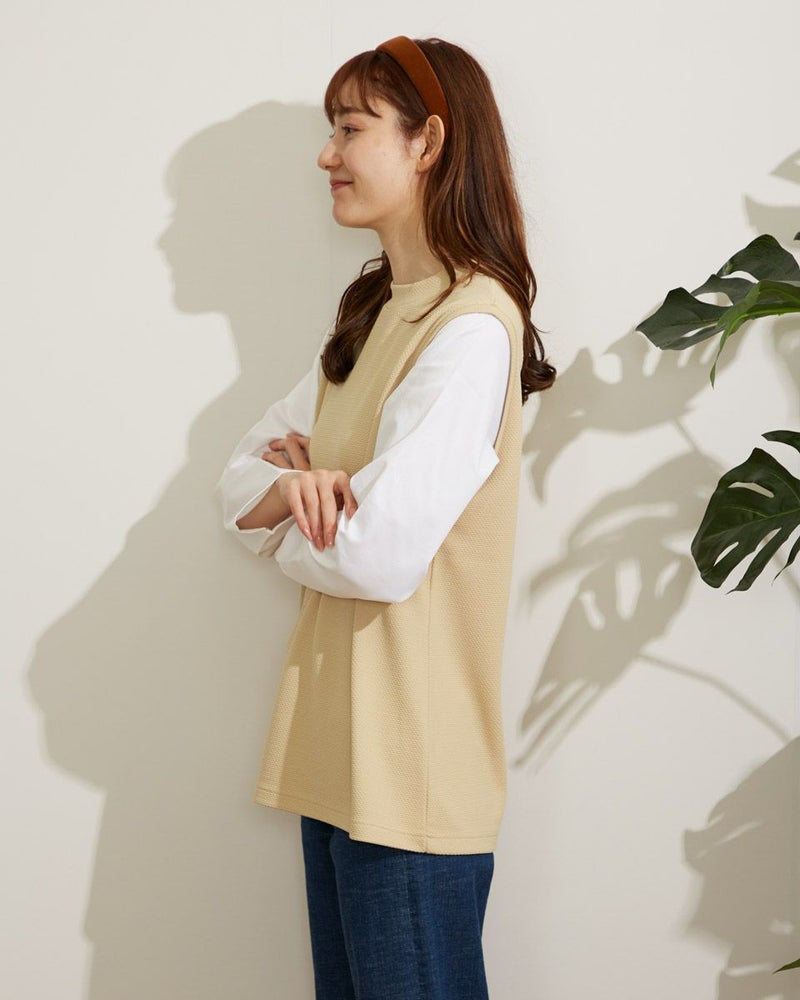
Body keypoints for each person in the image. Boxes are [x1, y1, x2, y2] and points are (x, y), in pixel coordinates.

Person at [216, 34, 555, 1000]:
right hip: (337, 764)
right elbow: (234, 484)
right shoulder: (375, 317)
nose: (327, 154)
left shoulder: (471, 328)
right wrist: (295, 494)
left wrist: (291, 510)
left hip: (410, 780)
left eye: (351, 128)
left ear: (428, 141)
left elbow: (376, 557)